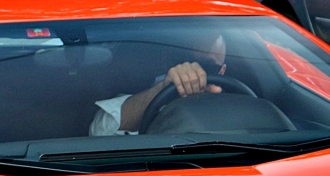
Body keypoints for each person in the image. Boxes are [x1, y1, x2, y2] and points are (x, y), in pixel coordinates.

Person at [90, 35, 227, 135]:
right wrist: (165, 89)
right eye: (185, 61)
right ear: (168, 60)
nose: (193, 72)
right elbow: (100, 130)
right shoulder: (142, 97)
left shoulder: (237, 104)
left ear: (221, 71)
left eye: (207, 67)